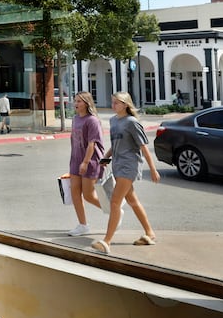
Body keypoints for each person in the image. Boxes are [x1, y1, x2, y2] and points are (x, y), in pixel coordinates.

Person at [90, 91, 161, 254]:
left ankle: (106, 241)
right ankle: (150, 233)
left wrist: (152, 169)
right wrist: (105, 158)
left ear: (125, 104)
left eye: (116, 102)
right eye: (112, 102)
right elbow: (115, 144)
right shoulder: (114, 121)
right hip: (117, 164)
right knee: (132, 200)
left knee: (115, 202)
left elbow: (143, 147)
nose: (113, 105)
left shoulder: (131, 122)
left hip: (129, 166)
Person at [66, 91, 105, 236]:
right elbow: (74, 141)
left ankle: (114, 210)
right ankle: (83, 225)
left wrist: (85, 162)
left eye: (79, 101)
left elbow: (92, 144)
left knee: (88, 195)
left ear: (87, 103)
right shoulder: (75, 118)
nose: (76, 104)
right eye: (75, 101)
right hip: (76, 160)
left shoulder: (92, 120)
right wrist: (74, 161)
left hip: (89, 161)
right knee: (75, 192)